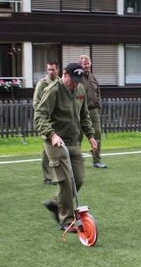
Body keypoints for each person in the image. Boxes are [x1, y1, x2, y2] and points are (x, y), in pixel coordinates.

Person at [34, 62, 97, 231]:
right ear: (65, 74)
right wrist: (52, 134)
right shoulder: (53, 90)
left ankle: (56, 203)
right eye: (73, 79)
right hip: (55, 142)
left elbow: (84, 116)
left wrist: (90, 136)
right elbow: (39, 115)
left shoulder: (80, 90)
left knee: (78, 179)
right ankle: (67, 220)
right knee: (65, 182)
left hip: (73, 141)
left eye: (78, 80)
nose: (75, 83)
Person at [32, 61, 60, 185]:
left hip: (59, 120)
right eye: (49, 70)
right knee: (46, 148)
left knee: (58, 147)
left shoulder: (61, 83)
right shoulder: (42, 84)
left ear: (57, 70)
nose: (51, 72)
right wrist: (44, 115)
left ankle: (58, 174)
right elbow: (36, 103)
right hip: (46, 120)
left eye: (53, 69)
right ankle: (48, 177)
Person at [79, 54, 106, 168]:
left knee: (97, 134)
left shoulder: (93, 77)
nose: (87, 66)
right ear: (80, 65)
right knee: (77, 136)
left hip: (93, 111)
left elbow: (98, 92)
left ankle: (96, 160)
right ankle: (75, 161)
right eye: (84, 64)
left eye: (88, 63)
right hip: (80, 111)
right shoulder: (77, 78)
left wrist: (97, 103)